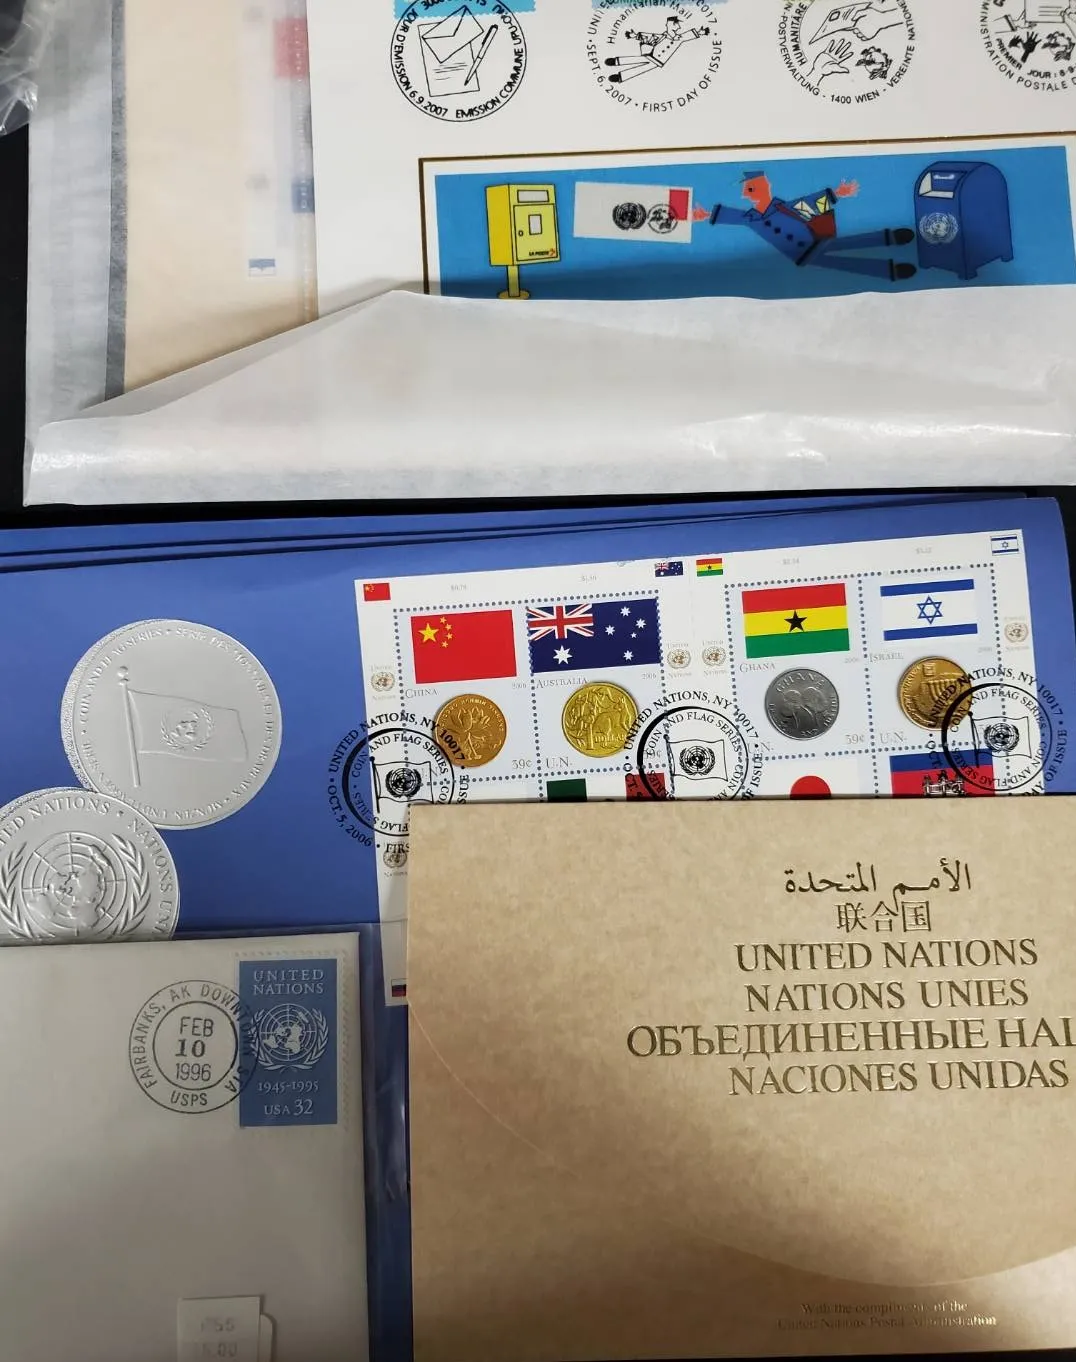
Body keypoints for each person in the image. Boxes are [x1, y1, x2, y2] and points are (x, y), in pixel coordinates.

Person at [693, 168, 917, 282]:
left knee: (852, 242)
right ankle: (890, 270)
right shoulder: (752, 219)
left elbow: (810, 205)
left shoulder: (783, 208)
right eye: (749, 190)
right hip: (802, 255)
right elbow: (735, 216)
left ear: (766, 186)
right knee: (846, 264)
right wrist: (707, 215)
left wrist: (838, 193)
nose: (750, 193)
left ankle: (891, 237)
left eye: (754, 187)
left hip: (813, 242)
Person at [604, 16, 711, 83]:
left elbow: (687, 35)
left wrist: (700, 32)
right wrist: (634, 36)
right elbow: (648, 36)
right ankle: (616, 63)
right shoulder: (662, 36)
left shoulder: (679, 39)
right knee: (638, 60)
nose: (675, 27)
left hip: (660, 60)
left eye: (675, 25)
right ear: (668, 26)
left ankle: (620, 75)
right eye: (672, 25)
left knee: (641, 69)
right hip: (652, 55)